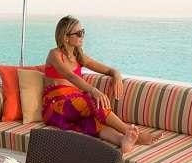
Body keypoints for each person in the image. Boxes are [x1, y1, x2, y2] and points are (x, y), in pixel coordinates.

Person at [42, 15, 158, 153]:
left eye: (83, 32)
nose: (82, 36)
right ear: (66, 37)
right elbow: (70, 76)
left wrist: (116, 74)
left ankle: (122, 140)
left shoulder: (79, 57)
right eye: (78, 33)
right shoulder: (54, 54)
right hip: (56, 106)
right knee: (93, 101)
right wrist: (93, 90)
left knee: (93, 122)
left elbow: (108, 70)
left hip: (75, 106)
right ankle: (130, 131)